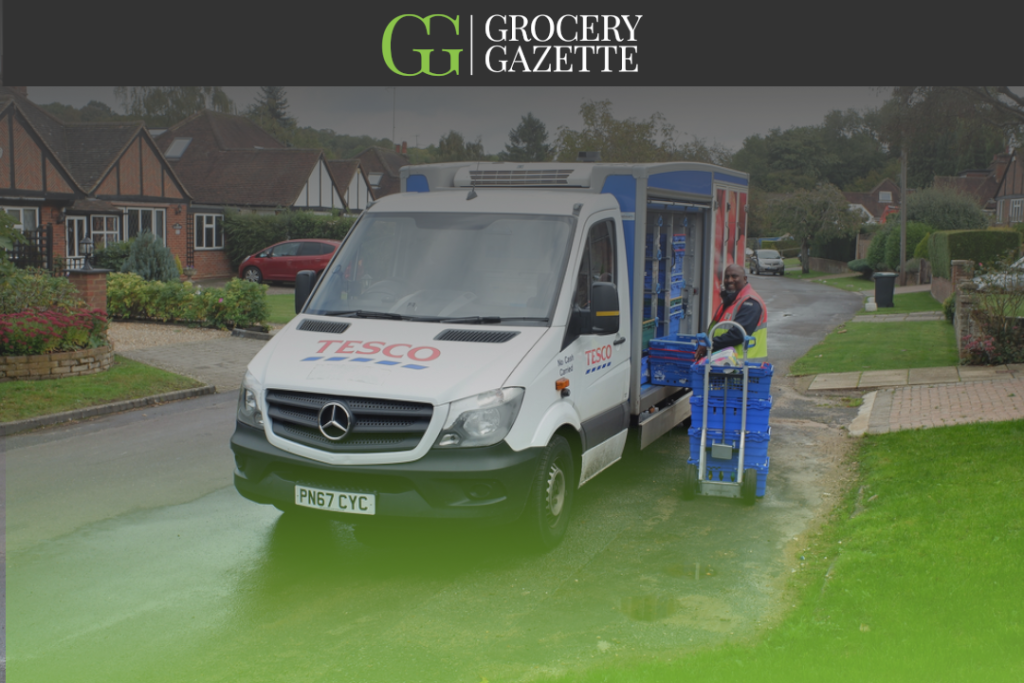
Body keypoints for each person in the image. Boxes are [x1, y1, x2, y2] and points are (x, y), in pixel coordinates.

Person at [702, 263, 767, 359]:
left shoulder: (750, 302)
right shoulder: (730, 301)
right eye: (727, 277)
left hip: (745, 366)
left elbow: (738, 334)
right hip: (728, 364)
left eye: (734, 276)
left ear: (745, 279)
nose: (729, 280)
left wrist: (709, 344)